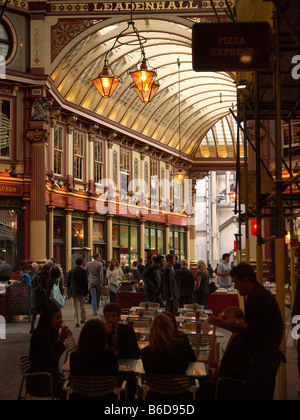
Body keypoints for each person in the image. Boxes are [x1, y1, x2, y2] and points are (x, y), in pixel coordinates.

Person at [210, 263, 284, 400]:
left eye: (237, 283)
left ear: (246, 280)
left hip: (264, 360)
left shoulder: (257, 298)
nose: (236, 287)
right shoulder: (258, 295)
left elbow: (253, 329)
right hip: (265, 357)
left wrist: (236, 324)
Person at [141, 313, 193, 399]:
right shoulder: (181, 344)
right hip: (180, 391)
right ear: (169, 328)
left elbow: (148, 373)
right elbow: (185, 365)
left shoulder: (145, 352)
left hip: (156, 392)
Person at [27, 304, 71, 399]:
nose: (61, 321)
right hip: (41, 383)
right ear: (48, 319)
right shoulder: (42, 336)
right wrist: (61, 341)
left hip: (49, 378)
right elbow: (52, 359)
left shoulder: (49, 333)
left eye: (61, 317)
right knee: (72, 392)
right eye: (57, 318)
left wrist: (59, 376)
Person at [69, 319, 118, 399]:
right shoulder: (109, 356)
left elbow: (73, 374)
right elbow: (114, 373)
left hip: (81, 395)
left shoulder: (75, 357)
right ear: (103, 336)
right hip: (106, 395)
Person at [103, 303, 140, 399]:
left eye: (113, 316)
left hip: (124, 364)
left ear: (119, 317)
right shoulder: (100, 331)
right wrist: (104, 335)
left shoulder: (127, 330)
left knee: (130, 380)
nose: (110, 319)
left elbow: (136, 351)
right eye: (107, 316)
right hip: (105, 367)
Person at [67, 258, 89, 328]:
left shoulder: (71, 271)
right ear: (82, 263)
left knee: (75, 306)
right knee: (82, 305)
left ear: (75, 263)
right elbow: (86, 282)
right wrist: (86, 291)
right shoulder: (84, 271)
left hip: (74, 290)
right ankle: (83, 319)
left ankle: (77, 321)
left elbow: (68, 282)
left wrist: (69, 290)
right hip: (82, 290)